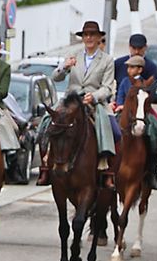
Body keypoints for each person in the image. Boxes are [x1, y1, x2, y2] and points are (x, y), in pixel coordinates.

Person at [37, 20, 116, 186]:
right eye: (86, 35)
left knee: (113, 130)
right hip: (70, 101)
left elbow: (108, 87)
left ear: (99, 38)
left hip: (93, 102)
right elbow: (56, 77)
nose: (88, 38)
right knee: (46, 123)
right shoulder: (74, 56)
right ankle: (45, 165)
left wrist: (94, 96)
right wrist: (64, 66)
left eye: (92, 35)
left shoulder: (107, 60)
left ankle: (105, 166)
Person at [112, 33, 157, 189]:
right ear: (129, 47)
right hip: (120, 107)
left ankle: (151, 170)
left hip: (144, 108)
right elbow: (113, 86)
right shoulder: (118, 64)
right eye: (134, 48)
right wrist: (115, 103)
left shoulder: (151, 67)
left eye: (140, 48)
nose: (136, 51)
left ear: (145, 48)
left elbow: (152, 92)